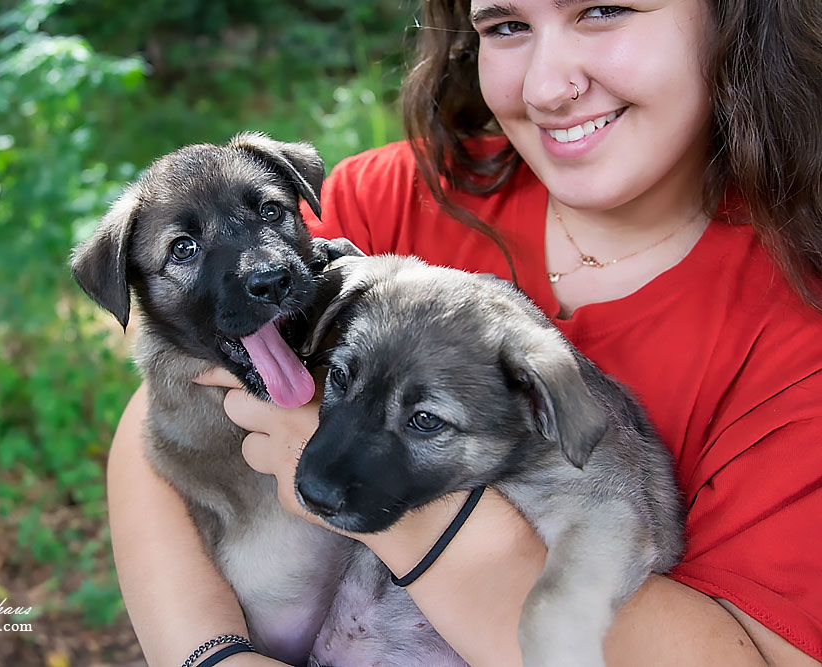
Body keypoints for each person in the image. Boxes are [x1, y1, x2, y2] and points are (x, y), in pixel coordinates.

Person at [106, 0, 822, 664]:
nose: (547, 86)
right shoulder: (395, 200)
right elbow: (167, 417)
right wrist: (215, 654)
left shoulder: (798, 331)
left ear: (735, 15)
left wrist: (416, 524)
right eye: (506, 23)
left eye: (603, 9)